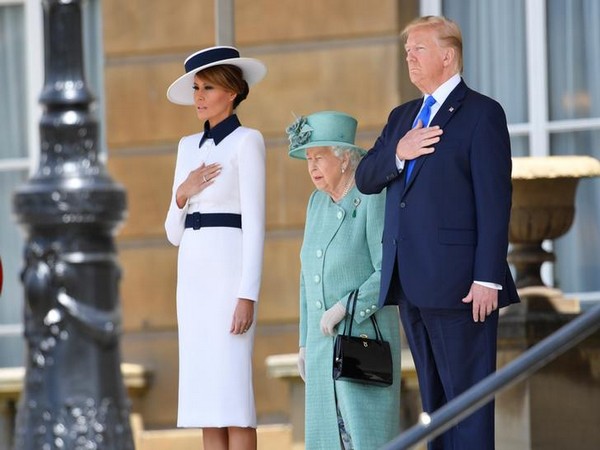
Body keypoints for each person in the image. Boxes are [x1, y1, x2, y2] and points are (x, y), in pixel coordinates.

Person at [355, 16, 520, 450]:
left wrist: (488, 278)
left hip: (463, 289)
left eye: (419, 50)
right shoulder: (402, 117)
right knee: (436, 409)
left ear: (447, 56)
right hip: (410, 283)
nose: (409, 57)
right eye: (406, 50)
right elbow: (366, 177)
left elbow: (495, 201)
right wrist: (399, 151)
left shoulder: (483, 114)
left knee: (469, 405)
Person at [164, 46, 267, 450]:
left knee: (233, 395)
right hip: (192, 278)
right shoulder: (187, 147)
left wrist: (248, 294)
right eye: (196, 88)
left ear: (232, 92)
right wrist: (182, 193)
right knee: (206, 399)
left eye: (208, 87)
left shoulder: (247, 141)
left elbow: (257, 224)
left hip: (229, 277)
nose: (199, 97)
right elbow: (173, 233)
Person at [287, 111, 402, 449]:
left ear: (344, 157)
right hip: (323, 348)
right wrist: (304, 342)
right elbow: (306, 275)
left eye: (319, 157)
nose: (312, 167)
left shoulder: (372, 197)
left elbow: (387, 271)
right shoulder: (316, 203)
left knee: (362, 439)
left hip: (363, 344)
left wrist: (344, 307)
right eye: (308, 158)